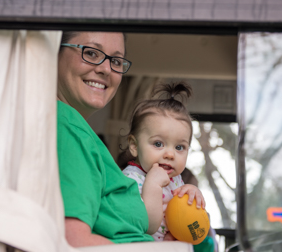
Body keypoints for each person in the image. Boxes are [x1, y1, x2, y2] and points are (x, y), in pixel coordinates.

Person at [56, 31, 154, 247]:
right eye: (91, 53)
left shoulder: (74, 127)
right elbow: (73, 242)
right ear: (55, 52)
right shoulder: (69, 128)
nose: (105, 68)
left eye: (116, 61)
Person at [122, 82, 215, 251]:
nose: (170, 154)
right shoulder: (130, 179)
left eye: (179, 147)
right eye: (158, 144)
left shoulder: (177, 180)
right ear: (134, 146)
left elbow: (186, 223)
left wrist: (192, 195)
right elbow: (149, 226)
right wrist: (153, 185)